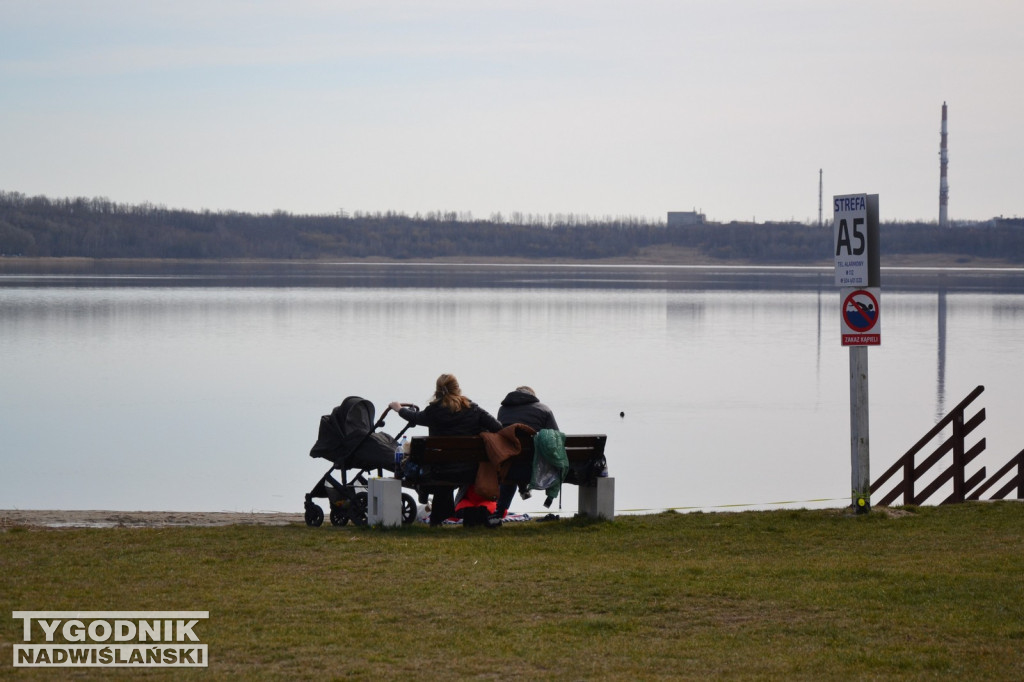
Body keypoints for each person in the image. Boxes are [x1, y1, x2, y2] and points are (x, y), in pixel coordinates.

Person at [390, 373, 501, 525]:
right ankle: (449, 514)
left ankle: (437, 515)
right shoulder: (473, 409)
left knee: (435, 468)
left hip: (440, 469)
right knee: (451, 470)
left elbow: (414, 417)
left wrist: (399, 409)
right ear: (458, 389)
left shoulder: (433, 411)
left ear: (437, 390)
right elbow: (498, 427)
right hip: (470, 469)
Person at [494, 385, 560, 516]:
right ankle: (523, 488)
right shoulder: (544, 409)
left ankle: (500, 510)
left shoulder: (503, 410)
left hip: (507, 469)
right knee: (524, 457)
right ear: (533, 397)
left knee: (512, 459)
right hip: (536, 471)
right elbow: (556, 439)